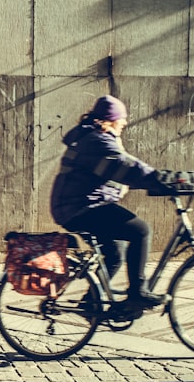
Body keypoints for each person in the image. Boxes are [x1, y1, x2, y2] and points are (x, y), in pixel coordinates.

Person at [49, 95, 167, 310]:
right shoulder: (98, 140)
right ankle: (138, 292)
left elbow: (111, 173)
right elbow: (127, 167)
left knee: (115, 252)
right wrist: (161, 180)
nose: (125, 122)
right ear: (111, 119)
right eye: (122, 118)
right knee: (141, 231)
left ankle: (91, 303)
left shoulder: (91, 137)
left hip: (76, 206)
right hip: (80, 208)